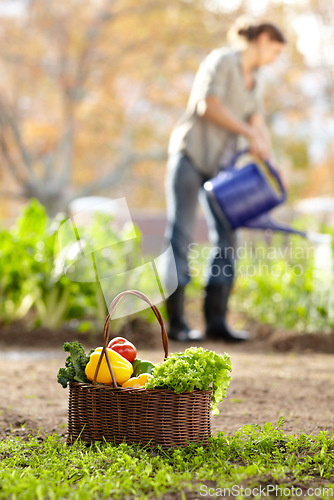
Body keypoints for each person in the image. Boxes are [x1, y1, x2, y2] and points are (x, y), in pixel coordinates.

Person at [164, 20, 287, 342]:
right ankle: (176, 324)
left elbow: (257, 123)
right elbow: (208, 105)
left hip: (220, 171)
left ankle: (216, 321)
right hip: (190, 157)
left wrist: (272, 164)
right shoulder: (222, 61)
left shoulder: (255, 81)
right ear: (262, 39)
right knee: (181, 235)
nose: (275, 58)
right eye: (275, 50)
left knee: (229, 237)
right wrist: (246, 133)